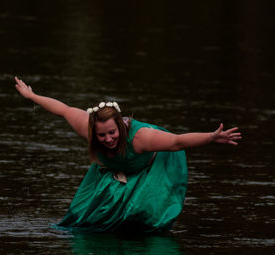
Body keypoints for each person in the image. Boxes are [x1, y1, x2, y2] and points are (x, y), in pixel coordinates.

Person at [14, 76, 242, 232]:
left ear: (120, 128)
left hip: (153, 159)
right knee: (83, 220)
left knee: (143, 218)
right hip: (117, 164)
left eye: (112, 133)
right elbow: (63, 109)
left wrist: (212, 137)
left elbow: (176, 142)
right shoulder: (89, 129)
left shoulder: (141, 137)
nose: (108, 139)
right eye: (101, 136)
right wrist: (31, 96)